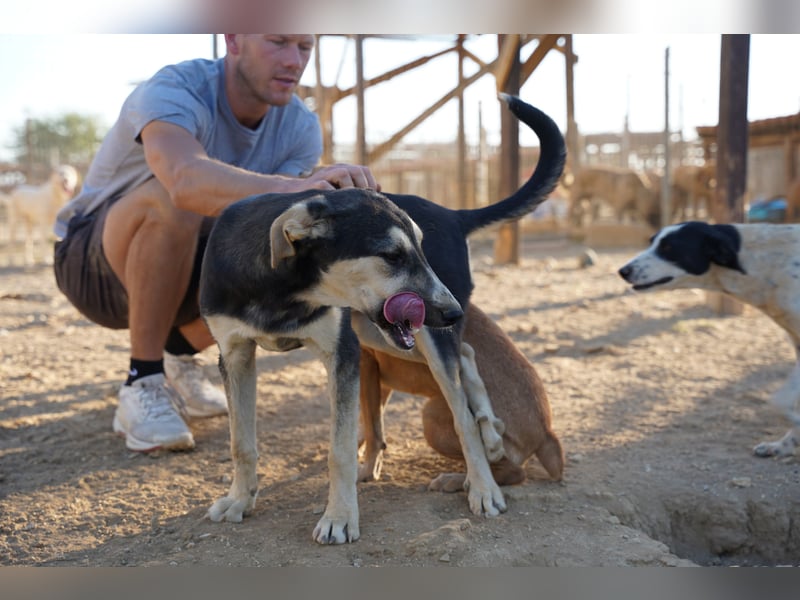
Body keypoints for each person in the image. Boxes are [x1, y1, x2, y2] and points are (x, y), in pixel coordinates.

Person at [53, 34, 379, 453]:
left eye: (304, 47)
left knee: (287, 240)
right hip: (93, 264)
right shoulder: (176, 88)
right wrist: (295, 187)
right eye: (278, 42)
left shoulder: (300, 126)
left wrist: (327, 195)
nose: (293, 61)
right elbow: (185, 181)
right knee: (174, 201)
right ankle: (143, 380)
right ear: (234, 39)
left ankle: (177, 355)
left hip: (192, 263)